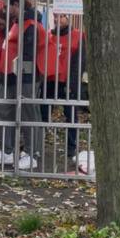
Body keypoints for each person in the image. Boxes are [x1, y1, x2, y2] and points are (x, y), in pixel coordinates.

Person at [0, 0, 44, 170]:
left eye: (7, 7)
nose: (5, 10)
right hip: (10, 76)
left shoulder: (31, 26)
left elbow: (29, 57)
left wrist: (20, 77)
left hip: (24, 78)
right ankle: (7, 150)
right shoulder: (17, 24)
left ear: (17, 5)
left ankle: (32, 153)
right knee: (2, 110)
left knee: (28, 114)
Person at [38, 14, 86, 158]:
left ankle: (71, 148)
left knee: (70, 115)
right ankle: (38, 144)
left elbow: (80, 62)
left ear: (69, 18)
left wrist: (72, 83)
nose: (57, 20)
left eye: (62, 17)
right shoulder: (49, 35)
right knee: (43, 113)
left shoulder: (78, 36)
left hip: (67, 81)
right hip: (50, 80)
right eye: (55, 17)